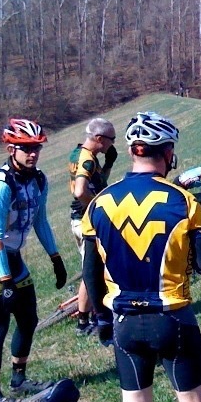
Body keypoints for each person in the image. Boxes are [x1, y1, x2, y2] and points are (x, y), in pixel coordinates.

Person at [81, 111, 201, 402]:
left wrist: (102, 319)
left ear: (131, 151)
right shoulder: (185, 201)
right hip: (173, 317)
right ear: (168, 152)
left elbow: (91, 273)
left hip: (124, 321)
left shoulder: (100, 203)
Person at [0, 119, 67, 402]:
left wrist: (55, 257)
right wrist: (4, 280)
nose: (33, 154)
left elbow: (40, 220)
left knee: (28, 319)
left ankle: (19, 378)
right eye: (26, 148)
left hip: (11, 254)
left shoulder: (38, 180)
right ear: (10, 148)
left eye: (36, 148)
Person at [68, 117, 118, 336]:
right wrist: (97, 207)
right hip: (85, 220)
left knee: (91, 268)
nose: (112, 144)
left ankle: (87, 317)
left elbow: (97, 182)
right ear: (99, 138)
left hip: (80, 219)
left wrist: (108, 164)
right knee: (93, 270)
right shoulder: (87, 159)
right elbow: (80, 191)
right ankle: (94, 318)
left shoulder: (78, 153)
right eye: (111, 139)